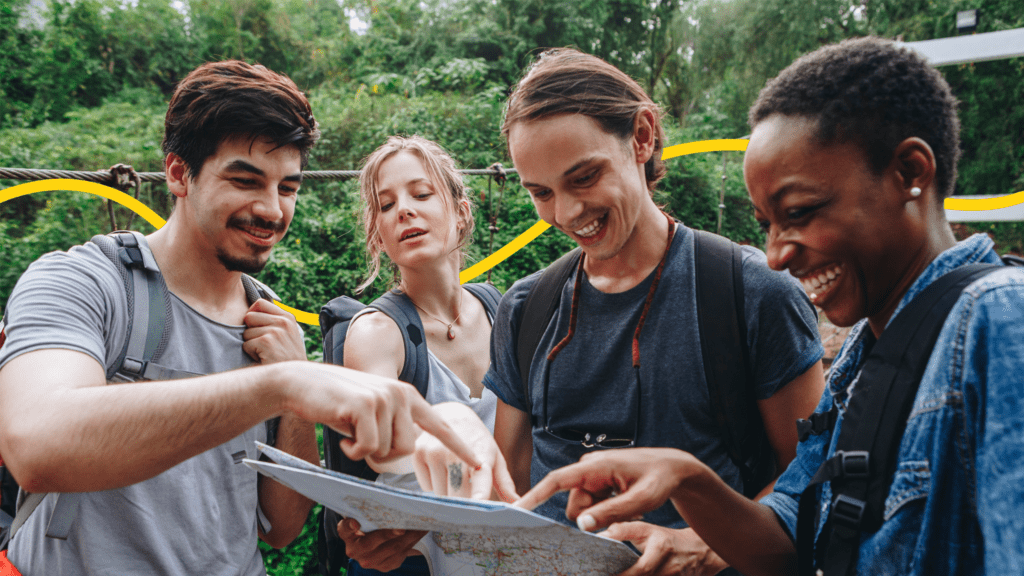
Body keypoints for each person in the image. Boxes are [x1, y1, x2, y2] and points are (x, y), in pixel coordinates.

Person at [514, 37, 1024, 576]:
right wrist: (688, 478)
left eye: (801, 212)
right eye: (767, 225)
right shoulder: (865, 360)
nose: (777, 256)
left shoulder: (998, 319)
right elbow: (790, 534)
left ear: (910, 172)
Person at [0, 61, 478, 576]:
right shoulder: (85, 282)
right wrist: (283, 383)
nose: (272, 209)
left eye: (288, 187)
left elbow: (281, 528)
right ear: (180, 174)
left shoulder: (266, 319)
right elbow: (36, 445)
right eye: (246, 180)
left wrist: (291, 396)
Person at [484, 48, 826, 575]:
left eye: (584, 177)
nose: (568, 213)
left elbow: (813, 472)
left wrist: (704, 544)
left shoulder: (750, 293)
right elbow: (505, 483)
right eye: (541, 193)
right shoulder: (527, 308)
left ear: (642, 136)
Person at [332, 135, 517, 576]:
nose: (404, 211)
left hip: (497, 552)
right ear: (378, 234)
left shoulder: (502, 310)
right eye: (386, 204)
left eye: (421, 194)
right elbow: (382, 446)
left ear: (461, 210)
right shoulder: (377, 333)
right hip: (407, 558)